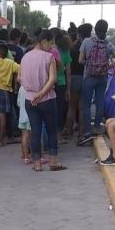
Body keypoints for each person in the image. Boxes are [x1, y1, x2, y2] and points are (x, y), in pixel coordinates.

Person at [19, 30, 66, 172]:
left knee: (35, 131)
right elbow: (52, 79)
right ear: (43, 41)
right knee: (52, 131)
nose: (52, 47)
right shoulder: (49, 57)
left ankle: (37, 164)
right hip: (47, 99)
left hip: (29, 99)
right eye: (51, 43)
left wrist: (34, 93)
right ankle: (53, 162)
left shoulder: (25, 57)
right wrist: (41, 93)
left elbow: (20, 78)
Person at [78, 19, 115, 145]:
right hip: (102, 78)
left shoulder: (87, 42)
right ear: (106, 30)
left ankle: (87, 130)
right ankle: (97, 127)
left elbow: (80, 60)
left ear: (95, 29)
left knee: (86, 105)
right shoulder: (108, 44)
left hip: (88, 77)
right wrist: (109, 66)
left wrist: (89, 63)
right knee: (99, 102)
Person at [66, 23, 89, 139]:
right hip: (84, 77)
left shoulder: (71, 49)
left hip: (73, 78)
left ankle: (69, 131)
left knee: (71, 106)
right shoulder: (87, 47)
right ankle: (81, 133)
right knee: (82, 107)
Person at [54, 31, 72, 139]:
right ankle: (59, 133)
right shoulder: (66, 53)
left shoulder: (50, 51)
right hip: (61, 84)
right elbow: (68, 73)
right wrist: (68, 89)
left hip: (50, 84)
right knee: (60, 109)